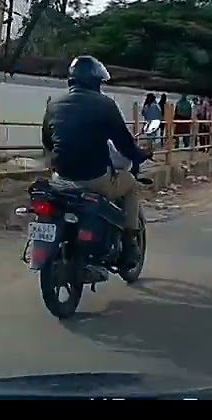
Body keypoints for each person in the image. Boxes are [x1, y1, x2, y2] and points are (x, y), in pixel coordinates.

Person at [41, 56, 150, 269]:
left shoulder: (54, 105)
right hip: (94, 179)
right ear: (94, 81)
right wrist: (141, 155)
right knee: (131, 185)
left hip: (61, 178)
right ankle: (129, 243)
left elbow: (47, 141)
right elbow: (124, 145)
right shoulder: (105, 105)